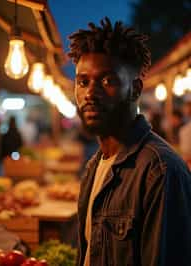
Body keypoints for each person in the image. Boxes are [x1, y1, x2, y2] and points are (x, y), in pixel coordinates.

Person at [68, 17, 191, 266]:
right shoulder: (94, 166)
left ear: (135, 89)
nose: (90, 93)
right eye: (83, 82)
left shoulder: (161, 171)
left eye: (108, 80)